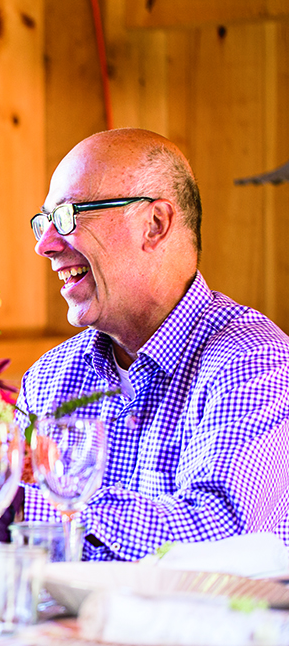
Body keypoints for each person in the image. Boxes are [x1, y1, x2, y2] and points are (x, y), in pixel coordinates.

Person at [18, 127, 289, 561]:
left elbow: (219, 532)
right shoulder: (49, 378)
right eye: (44, 221)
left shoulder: (253, 360)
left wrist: (53, 503)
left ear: (155, 224)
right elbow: (15, 543)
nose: (45, 244)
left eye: (67, 216)